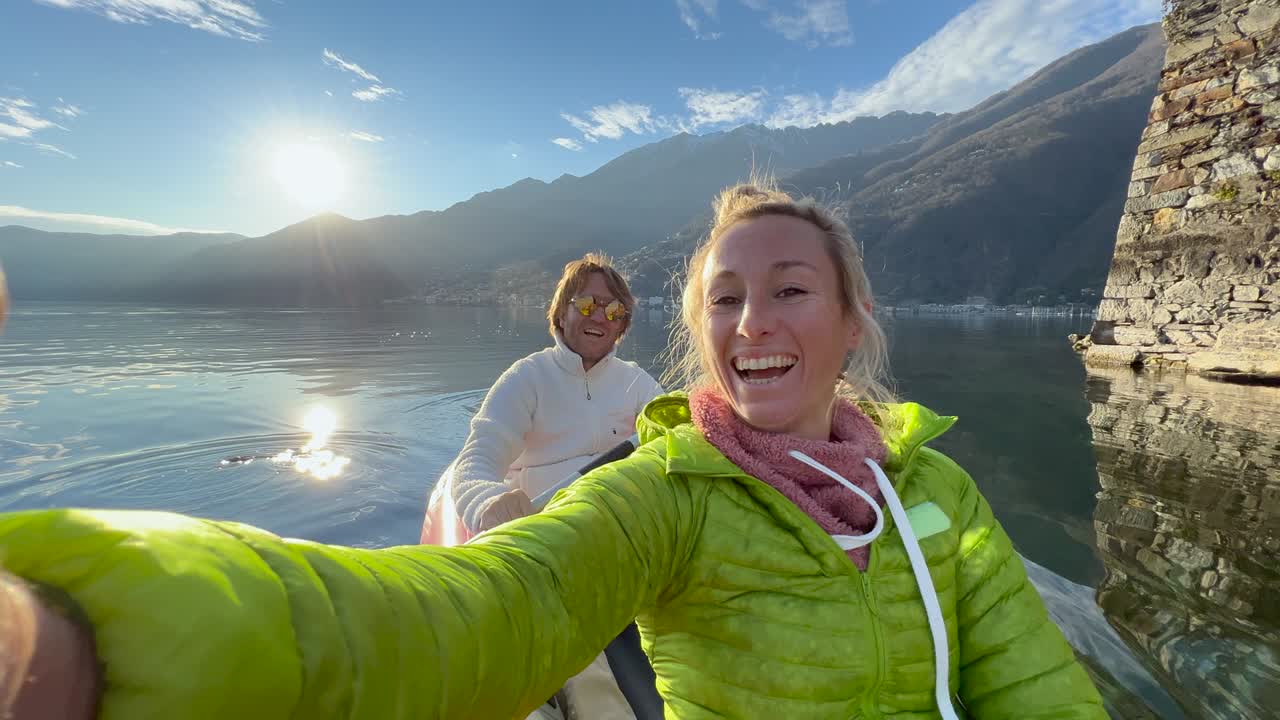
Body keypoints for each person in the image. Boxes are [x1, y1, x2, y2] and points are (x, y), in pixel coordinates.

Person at [0, 181, 1106, 719]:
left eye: (788, 291)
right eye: (724, 299)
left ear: (852, 320)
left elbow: (1037, 692)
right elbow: (481, 611)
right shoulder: (663, 485)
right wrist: (127, 622)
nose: (751, 323)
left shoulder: (938, 491)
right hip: (564, 539)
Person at [420, 252, 663, 720]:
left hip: (617, 541)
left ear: (623, 326)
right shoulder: (526, 378)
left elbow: (676, 440)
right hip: (548, 543)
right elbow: (476, 460)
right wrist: (490, 501)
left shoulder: (637, 385)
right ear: (561, 311)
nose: (600, 317)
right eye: (588, 303)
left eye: (615, 311)